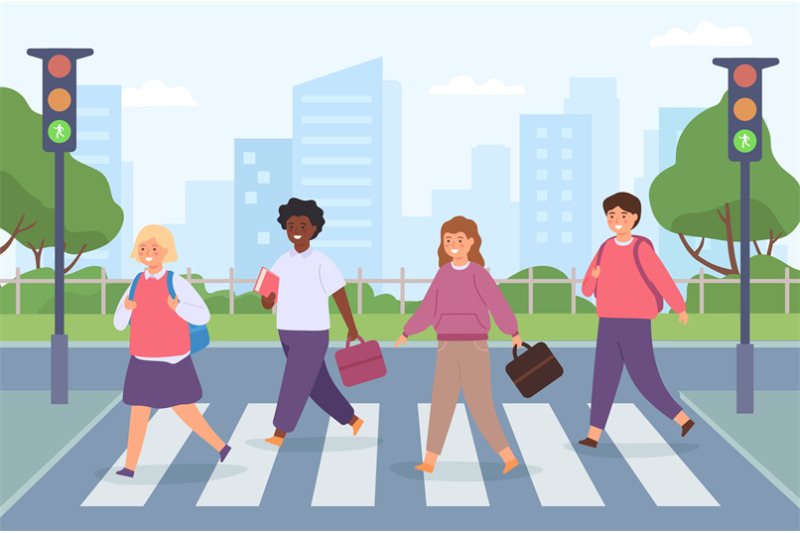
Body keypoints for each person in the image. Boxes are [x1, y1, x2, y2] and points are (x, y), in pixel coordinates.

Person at [395, 216, 521, 474]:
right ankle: (430, 460)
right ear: (443, 244)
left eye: (459, 240)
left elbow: (497, 304)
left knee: (480, 404)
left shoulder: (478, 274)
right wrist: (408, 331)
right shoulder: (442, 274)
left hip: (475, 345)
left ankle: (508, 456)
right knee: (441, 401)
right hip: (445, 346)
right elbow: (428, 307)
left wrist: (513, 331)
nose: (453, 244)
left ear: (471, 243)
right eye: (448, 240)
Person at [579, 192, 695, 448]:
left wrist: (680, 307)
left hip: (636, 322)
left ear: (634, 218)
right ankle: (593, 434)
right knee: (603, 379)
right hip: (608, 321)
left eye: (623, 215)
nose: (617, 220)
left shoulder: (641, 248)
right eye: (611, 215)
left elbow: (661, 277)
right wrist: (595, 275)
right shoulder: (604, 248)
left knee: (645, 379)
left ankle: (682, 418)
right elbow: (587, 289)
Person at [113, 225, 230, 478]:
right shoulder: (135, 283)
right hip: (142, 357)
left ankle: (221, 446)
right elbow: (118, 323)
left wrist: (178, 307)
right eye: (143, 248)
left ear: (165, 252)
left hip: (172, 358)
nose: (148, 253)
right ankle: (130, 466)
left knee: (184, 409)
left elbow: (203, 314)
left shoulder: (175, 281)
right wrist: (127, 307)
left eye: (154, 248)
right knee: (139, 410)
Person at [261, 198, 364, 447]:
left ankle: (280, 431)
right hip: (286, 331)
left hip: (313, 333)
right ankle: (351, 419)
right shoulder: (279, 263)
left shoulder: (322, 262)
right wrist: (268, 297)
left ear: (315, 229)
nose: (297, 230)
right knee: (317, 384)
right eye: (291, 225)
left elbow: (339, 294)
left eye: (303, 225)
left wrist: (351, 326)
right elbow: (266, 304)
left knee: (295, 381)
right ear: (285, 227)